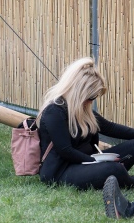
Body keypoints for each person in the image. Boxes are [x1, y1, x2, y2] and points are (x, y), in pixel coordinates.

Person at [36, 58, 134, 201]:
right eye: (91, 96)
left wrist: (97, 161)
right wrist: (98, 162)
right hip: (62, 170)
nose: (92, 101)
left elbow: (111, 128)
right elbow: (65, 151)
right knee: (114, 169)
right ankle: (128, 181)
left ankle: (119, 177)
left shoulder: (83, 111)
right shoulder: (54, 111)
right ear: (80, 92)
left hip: (87, 162)